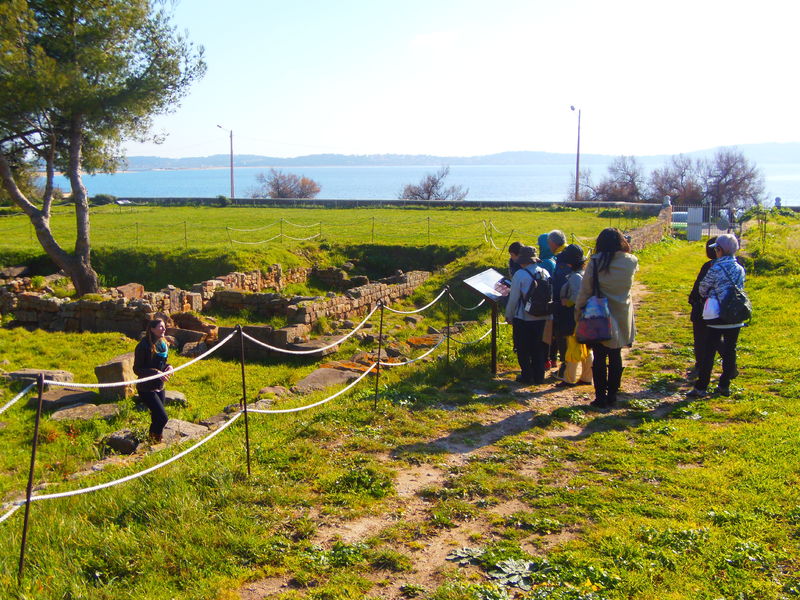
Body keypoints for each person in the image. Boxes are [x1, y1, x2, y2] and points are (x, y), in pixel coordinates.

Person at [575, 228, 638, 408]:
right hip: (622, 311)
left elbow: (585, 290)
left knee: (600, 356)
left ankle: (600, 396)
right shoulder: (631, 262)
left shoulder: (595, 263)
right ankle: (613, 394)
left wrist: (578, 311)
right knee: (616, 354)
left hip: (598, 314)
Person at [687, 234, 746, 398]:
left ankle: (701, 386)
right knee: (730, 349)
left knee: (709, 351)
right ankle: (724, 384)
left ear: (719, 250)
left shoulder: (715, 268)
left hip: (717, 314)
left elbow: (703, 289)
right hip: (735, 314)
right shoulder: (740, 268)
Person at [505, 245, 552, 384]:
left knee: (523, 348)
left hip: (524, 317)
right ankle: (539, 375)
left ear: (522, 260)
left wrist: (509, 315)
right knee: (538, 347)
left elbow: (514, 298)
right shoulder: (545, 273)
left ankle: (527, 375)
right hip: (543, 316)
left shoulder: (520, 274)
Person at [556, 244, 592, 387]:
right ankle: (587, 376)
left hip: (576, 317)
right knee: (586, 348)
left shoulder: (575, 277)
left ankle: (569, 378)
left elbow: (577, 298)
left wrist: (567, 302)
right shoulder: (585, 274)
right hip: (586, 316)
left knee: (572, 348)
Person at [133, 318, 174, 442]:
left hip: (159, 386)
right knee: (163, 418)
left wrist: (168, 367)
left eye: (164, 326)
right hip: (146, 388)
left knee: (157, 417)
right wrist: (155, 372)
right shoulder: (143, 346)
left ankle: (155, 440)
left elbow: (162, 364)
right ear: (152, 329)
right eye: (160, 327)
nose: (164, 329)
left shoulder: (162, 344)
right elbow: (137, 369)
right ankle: (154, 439)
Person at [687, 237, 718, 380]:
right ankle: (730, 366)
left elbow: (700, 286)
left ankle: (701, 364)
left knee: (700, 337)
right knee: (720, 337)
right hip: (724, 307)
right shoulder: (737, 265)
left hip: (705, 306)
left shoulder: (709, 266)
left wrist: (693, 299)